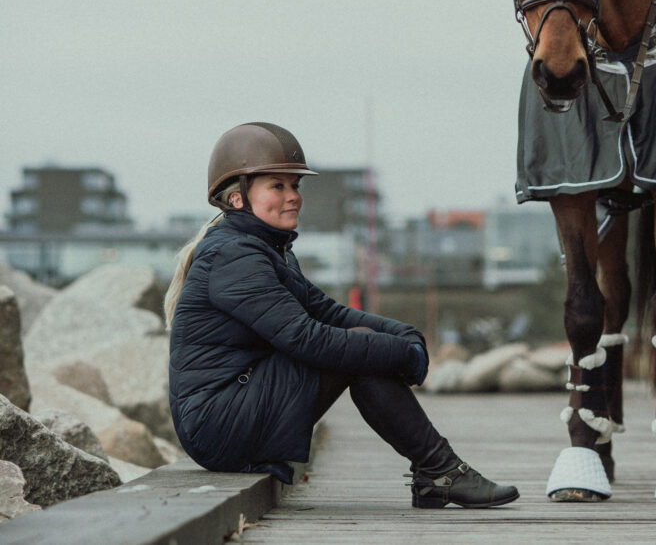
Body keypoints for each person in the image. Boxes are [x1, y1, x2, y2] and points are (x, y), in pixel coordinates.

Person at [164, 122, 519, 508]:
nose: (293, 196)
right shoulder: (234, 256)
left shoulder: (264, 249)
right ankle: (441, 472)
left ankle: (440, 472)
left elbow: (327, 312)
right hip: (218, 424)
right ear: (237, 199)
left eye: (295, 186)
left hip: (236, 406)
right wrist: (401, 354)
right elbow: (305, 338)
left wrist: (406, 334)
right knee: (358, 354)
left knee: (362, 346)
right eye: (277, 186)